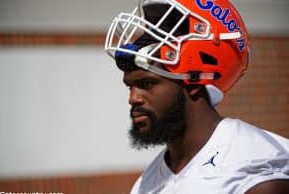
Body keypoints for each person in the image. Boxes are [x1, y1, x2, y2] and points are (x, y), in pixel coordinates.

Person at [104, 0, 289, 193]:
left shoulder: (256, 171)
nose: (133, 98)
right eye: (130, 87)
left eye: (147, 84)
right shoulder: (145, 184)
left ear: (193, 83)